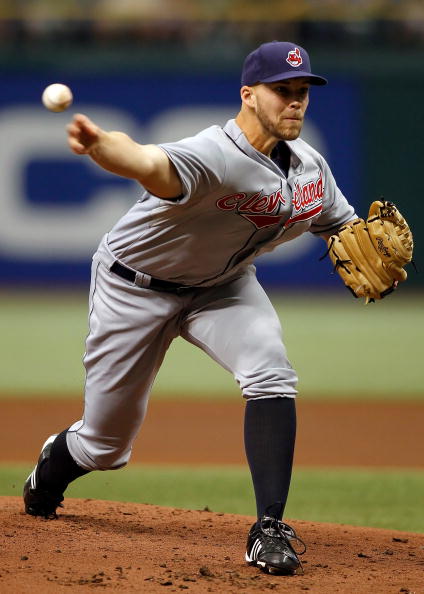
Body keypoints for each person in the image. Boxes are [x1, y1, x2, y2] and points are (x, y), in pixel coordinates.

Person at [23, 40, 356, 576]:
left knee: (270, 368)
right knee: (105, 445)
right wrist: (102, 146)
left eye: (301, 92)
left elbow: (342, 223)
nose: (294, 102)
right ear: (248, 95)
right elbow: (147, 161)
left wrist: (357, 237)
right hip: (133, 289)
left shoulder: (311, 168)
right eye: (281, 91)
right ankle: (51, 468)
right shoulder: (214, 154)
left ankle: (269, 528)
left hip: (222, 287)